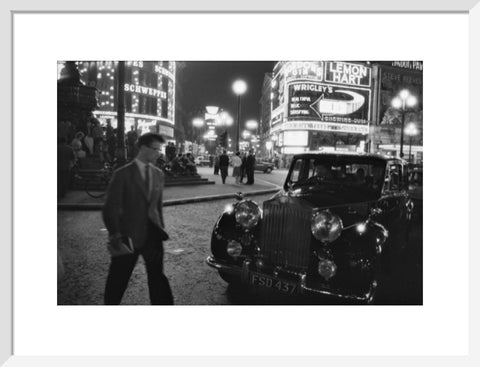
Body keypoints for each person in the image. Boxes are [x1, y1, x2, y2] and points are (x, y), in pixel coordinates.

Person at [102, 133, 174, 305]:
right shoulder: (123, 174)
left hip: (153, 235)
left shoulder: (158, 174)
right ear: (142, 148)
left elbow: (157, 206)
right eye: (155, 149)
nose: (159, 153)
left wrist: (160, 227)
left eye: (160, 149)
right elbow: (110, 208)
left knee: (157, 277)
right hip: (128, 236)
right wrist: (115, 234)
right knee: (119, 278)